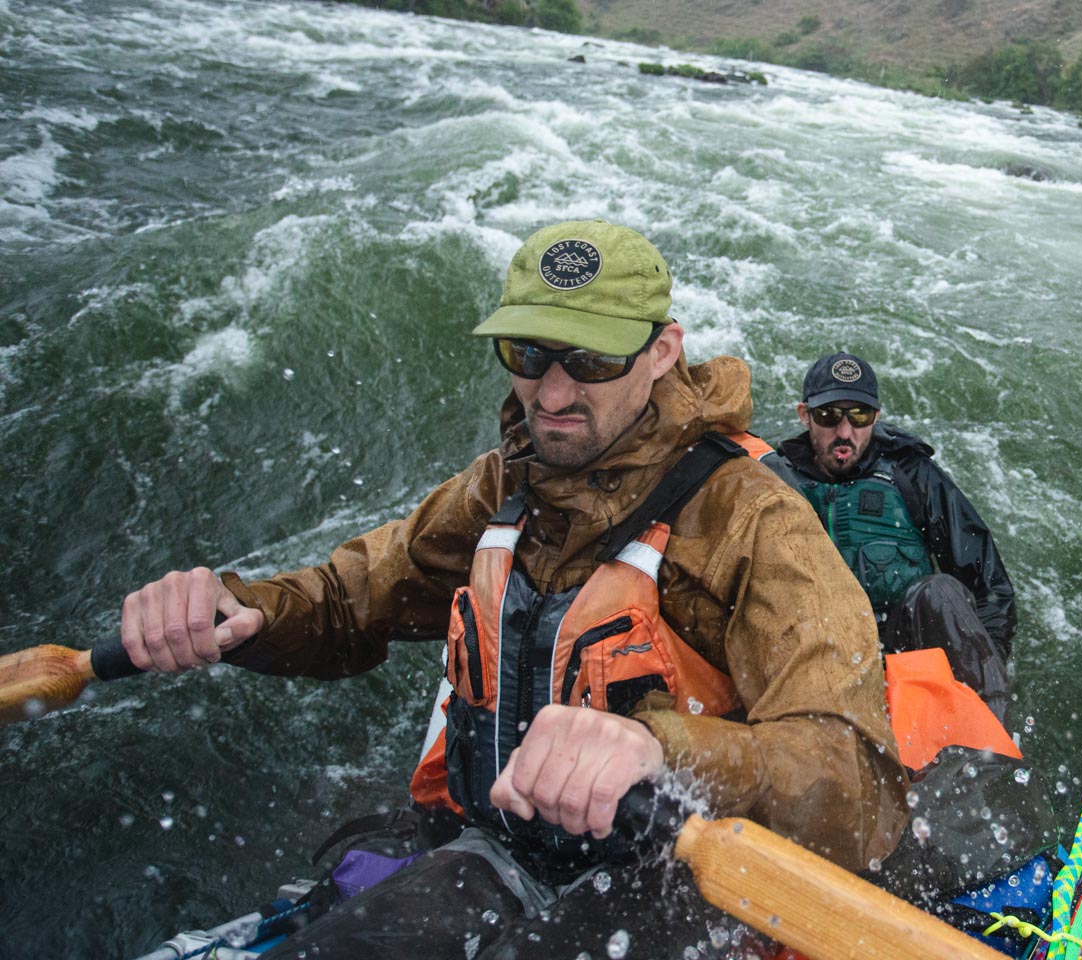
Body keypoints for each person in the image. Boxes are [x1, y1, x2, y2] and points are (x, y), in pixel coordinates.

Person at [117, 221, 908, 959]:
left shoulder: (758, 520)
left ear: (664, 351)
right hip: (497, 849)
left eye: (591, 361)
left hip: (678, 879)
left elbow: (858, 785)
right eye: (529, 354)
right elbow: (349, 598)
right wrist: (239, 612)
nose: (554, 395)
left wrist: (662, 746)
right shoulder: (509, 481)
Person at [762, 352, 1015, 726]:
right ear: (804, 415)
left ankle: (992, 744)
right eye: (829, 416)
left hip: (904, 651)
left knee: (941, 592)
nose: (844, 432)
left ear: (876, 417)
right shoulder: (773, 479)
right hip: (815, 654)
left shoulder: (910, 472)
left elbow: (989, 586)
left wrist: (986, 664)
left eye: (859, 416)